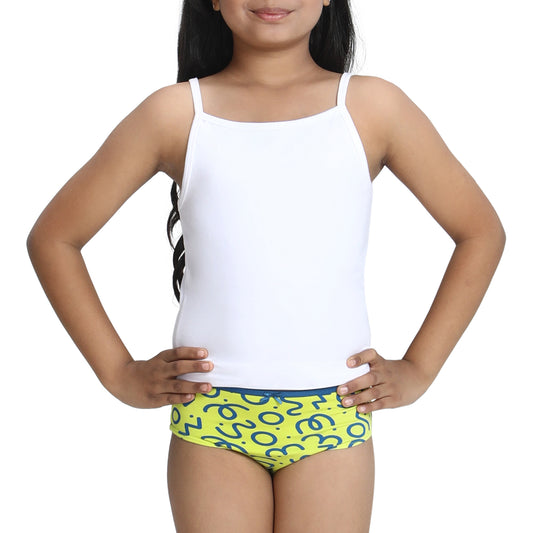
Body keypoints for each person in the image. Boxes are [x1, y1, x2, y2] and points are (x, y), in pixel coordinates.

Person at [26, 1, 506, 532]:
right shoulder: (176, 113)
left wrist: (420, 369)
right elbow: (55, 238)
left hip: (334, 408)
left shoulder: (371, 108)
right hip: (212, 413)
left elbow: (480, 231)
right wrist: (118, 373)